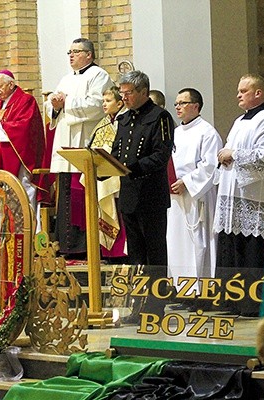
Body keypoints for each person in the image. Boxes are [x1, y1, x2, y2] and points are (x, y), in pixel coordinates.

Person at [213, 73, 264, 316]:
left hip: (253, 198)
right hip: (232, 197)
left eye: (243, 91)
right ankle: (230, 302)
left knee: (251, 249)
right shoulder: (240, 121)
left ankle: (251, 304)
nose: (238, 95)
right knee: (231, 248)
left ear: (259, 93)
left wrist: (233, 154)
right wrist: (225, 155)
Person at [111, 71, 175, 321]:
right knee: (135, 255)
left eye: (127, 93)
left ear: (143, 92)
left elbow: (162, 154)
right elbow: (117, 149)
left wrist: (134, 168)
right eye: (122, 93)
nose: (123, 97)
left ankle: (156, 306)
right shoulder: (124, 119)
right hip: (128, 194)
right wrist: (106, 166)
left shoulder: (160, 117)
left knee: (155, 252)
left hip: (150, 195)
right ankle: (137, 306)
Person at [47, 38, 114, 255]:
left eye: (76, 51)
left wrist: (66, 103)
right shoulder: (65, 79)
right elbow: (52, 107)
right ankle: (66, 245)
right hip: (66, 140)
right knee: (65, 193)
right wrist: (54, 105)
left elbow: (97, 106)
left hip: (85, 141)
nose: (71, 55)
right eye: (70, 52)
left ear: (89, 55)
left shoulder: (99, 75)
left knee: (82, 193)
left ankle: (85, 246)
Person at [167, 88, 222, 307]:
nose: (178, 107)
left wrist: (187, 182)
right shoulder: (175, 133)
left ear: (196, 106)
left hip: (195, 197)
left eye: (182, 103)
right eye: (177, 103)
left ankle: (202, 293)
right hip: (175, 197)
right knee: (176, 243)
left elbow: (210, 166)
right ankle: (182, 291)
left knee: (197, 244)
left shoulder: (207, 132)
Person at [0, 70, 45, 209]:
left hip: (18, 157)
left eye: (0, 86)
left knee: (21, 190)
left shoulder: (26, 100)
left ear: (11, 84)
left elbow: (25, 128)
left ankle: (29, 227)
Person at [87, 86, 127, 259]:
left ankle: (121, 252)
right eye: (103, 101)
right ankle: (109, 252)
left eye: (108, 101)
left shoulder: (126, 121)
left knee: (120, 213)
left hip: (120, 176)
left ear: (119, 103)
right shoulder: (102, 124)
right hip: (102, 174)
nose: (104, 104)